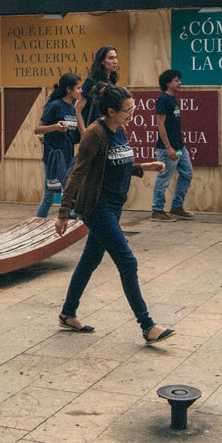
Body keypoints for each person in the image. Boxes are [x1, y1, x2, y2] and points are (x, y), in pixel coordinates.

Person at [56, 84, 175, 343]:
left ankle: (67, 313)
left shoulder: (119, 129)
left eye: (132, 108)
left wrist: (143, 166)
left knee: (90, 260)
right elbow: (77, 172)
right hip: (97, 207)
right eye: (127, 110)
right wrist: (63, 212)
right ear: (110, 111)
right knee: (127, 262)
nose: (131, 113)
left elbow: (116, 163)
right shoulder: (94, 134)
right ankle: (147, 326)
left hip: (115, 204)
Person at [33, 72, 83, 218]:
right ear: (69, 90)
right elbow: (37, 129)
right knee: (49, 196)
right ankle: (38, 224)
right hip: (53, 158)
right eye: (78, 88)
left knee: (70, 193)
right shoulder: (55, 106)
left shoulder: (73, 108)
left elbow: (71, 135)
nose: (81, 91)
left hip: (68, 157)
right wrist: (55, 127)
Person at [149, 70, 193, 221]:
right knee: (164, 178)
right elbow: (160, 124)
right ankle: (157, 210)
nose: (179, 83)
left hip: (180, 149)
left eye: (179, 80)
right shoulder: (163, 100)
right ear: (168, 83)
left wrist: (177, 147)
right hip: (167, 149)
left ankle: (176, 207)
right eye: (176, 80)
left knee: (187, 173)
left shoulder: (173, 100)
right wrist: (168, 147)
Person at [80, 45, 120, 124]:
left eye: (116, 57)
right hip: (93, 128)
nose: (115, 61)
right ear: (102, 61)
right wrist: (84, 133)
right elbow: (77, 110)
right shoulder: (91, 82)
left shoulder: (112, 82)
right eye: (111, 58)